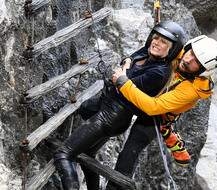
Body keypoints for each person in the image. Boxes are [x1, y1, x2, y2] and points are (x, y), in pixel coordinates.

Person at [53, 20, 186, 190]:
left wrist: (123, 75)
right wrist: (126, 66)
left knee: (63, 154)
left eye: (163, 42)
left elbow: (122, 85)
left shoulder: (159, 73)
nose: (156, 43)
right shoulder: (147, 52)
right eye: (156, 37)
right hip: (106, 106)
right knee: (87, 155)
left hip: (112, 117)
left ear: (172, 50)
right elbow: (128, 59)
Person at [108, 35, 217, 189]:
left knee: (130, 151)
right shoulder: (181, 53)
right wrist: (129, 59)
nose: (188, 59)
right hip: (147, 91)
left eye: (196, 61)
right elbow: (149, 51)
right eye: (190, 53)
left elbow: (153, 107)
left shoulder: (192, 90)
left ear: (202, 70)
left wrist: (124, 83)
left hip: (157, 116)